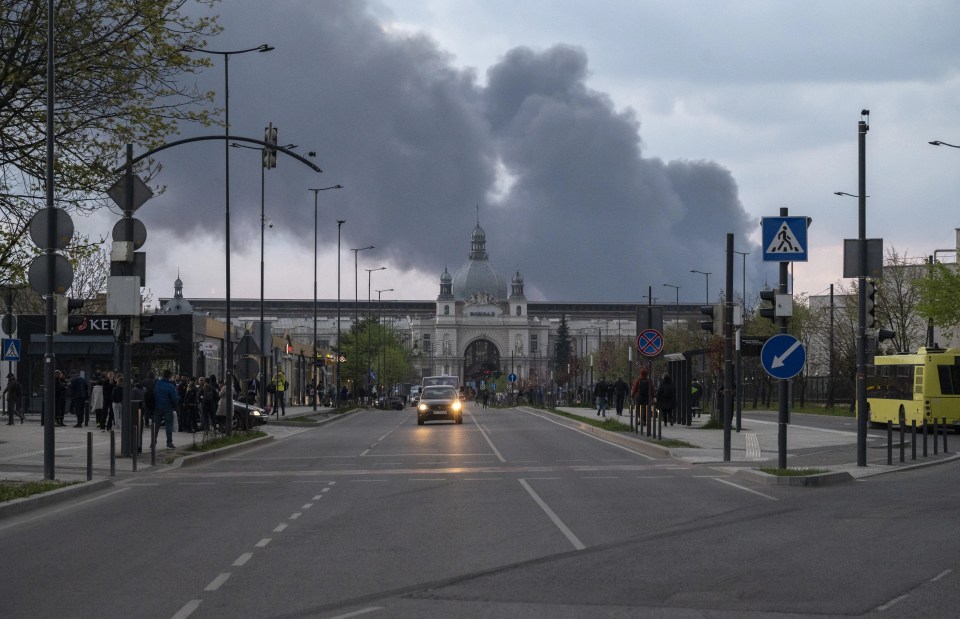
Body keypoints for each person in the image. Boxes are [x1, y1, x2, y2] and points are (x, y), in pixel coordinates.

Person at [152, 369, 180, 449]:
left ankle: (153, 442)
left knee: (156, 425)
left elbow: (154, 393)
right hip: (168, 408)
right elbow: (175, 399)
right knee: (169, 426)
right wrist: (177, 402)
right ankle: (169, 443)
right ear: (170, 376)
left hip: (157, 407)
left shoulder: (157, 383)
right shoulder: (170, 386)